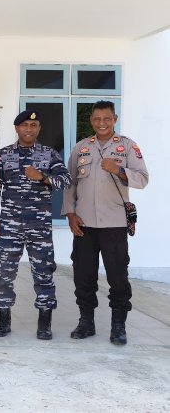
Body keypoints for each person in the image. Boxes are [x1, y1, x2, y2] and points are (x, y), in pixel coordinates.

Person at [62, 100, 149, 345]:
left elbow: (143, 179)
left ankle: (118, 325)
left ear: (115, 119)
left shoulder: (128, 146)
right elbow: (70, 184)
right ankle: (86, 321)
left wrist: (119, 170)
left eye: (107, 119)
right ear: (91, 121)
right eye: (97, 119)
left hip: (114, 224)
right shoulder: (81, 147)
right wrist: (70, 214)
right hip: (84, 224)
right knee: (83, 275)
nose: (102, 123)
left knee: (118, 276)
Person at [0, 110, 72, 340]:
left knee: (43, 273)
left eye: (34, 125)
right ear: (17, 128)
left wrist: (42, 177)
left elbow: (66, 179)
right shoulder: (4, 155)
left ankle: (45, 324)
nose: (29, 129)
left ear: (39, 129)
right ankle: (3, 321)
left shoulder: (49, 154)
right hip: (10, 225)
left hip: (39, 226)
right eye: (25, 125)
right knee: (4, 273)